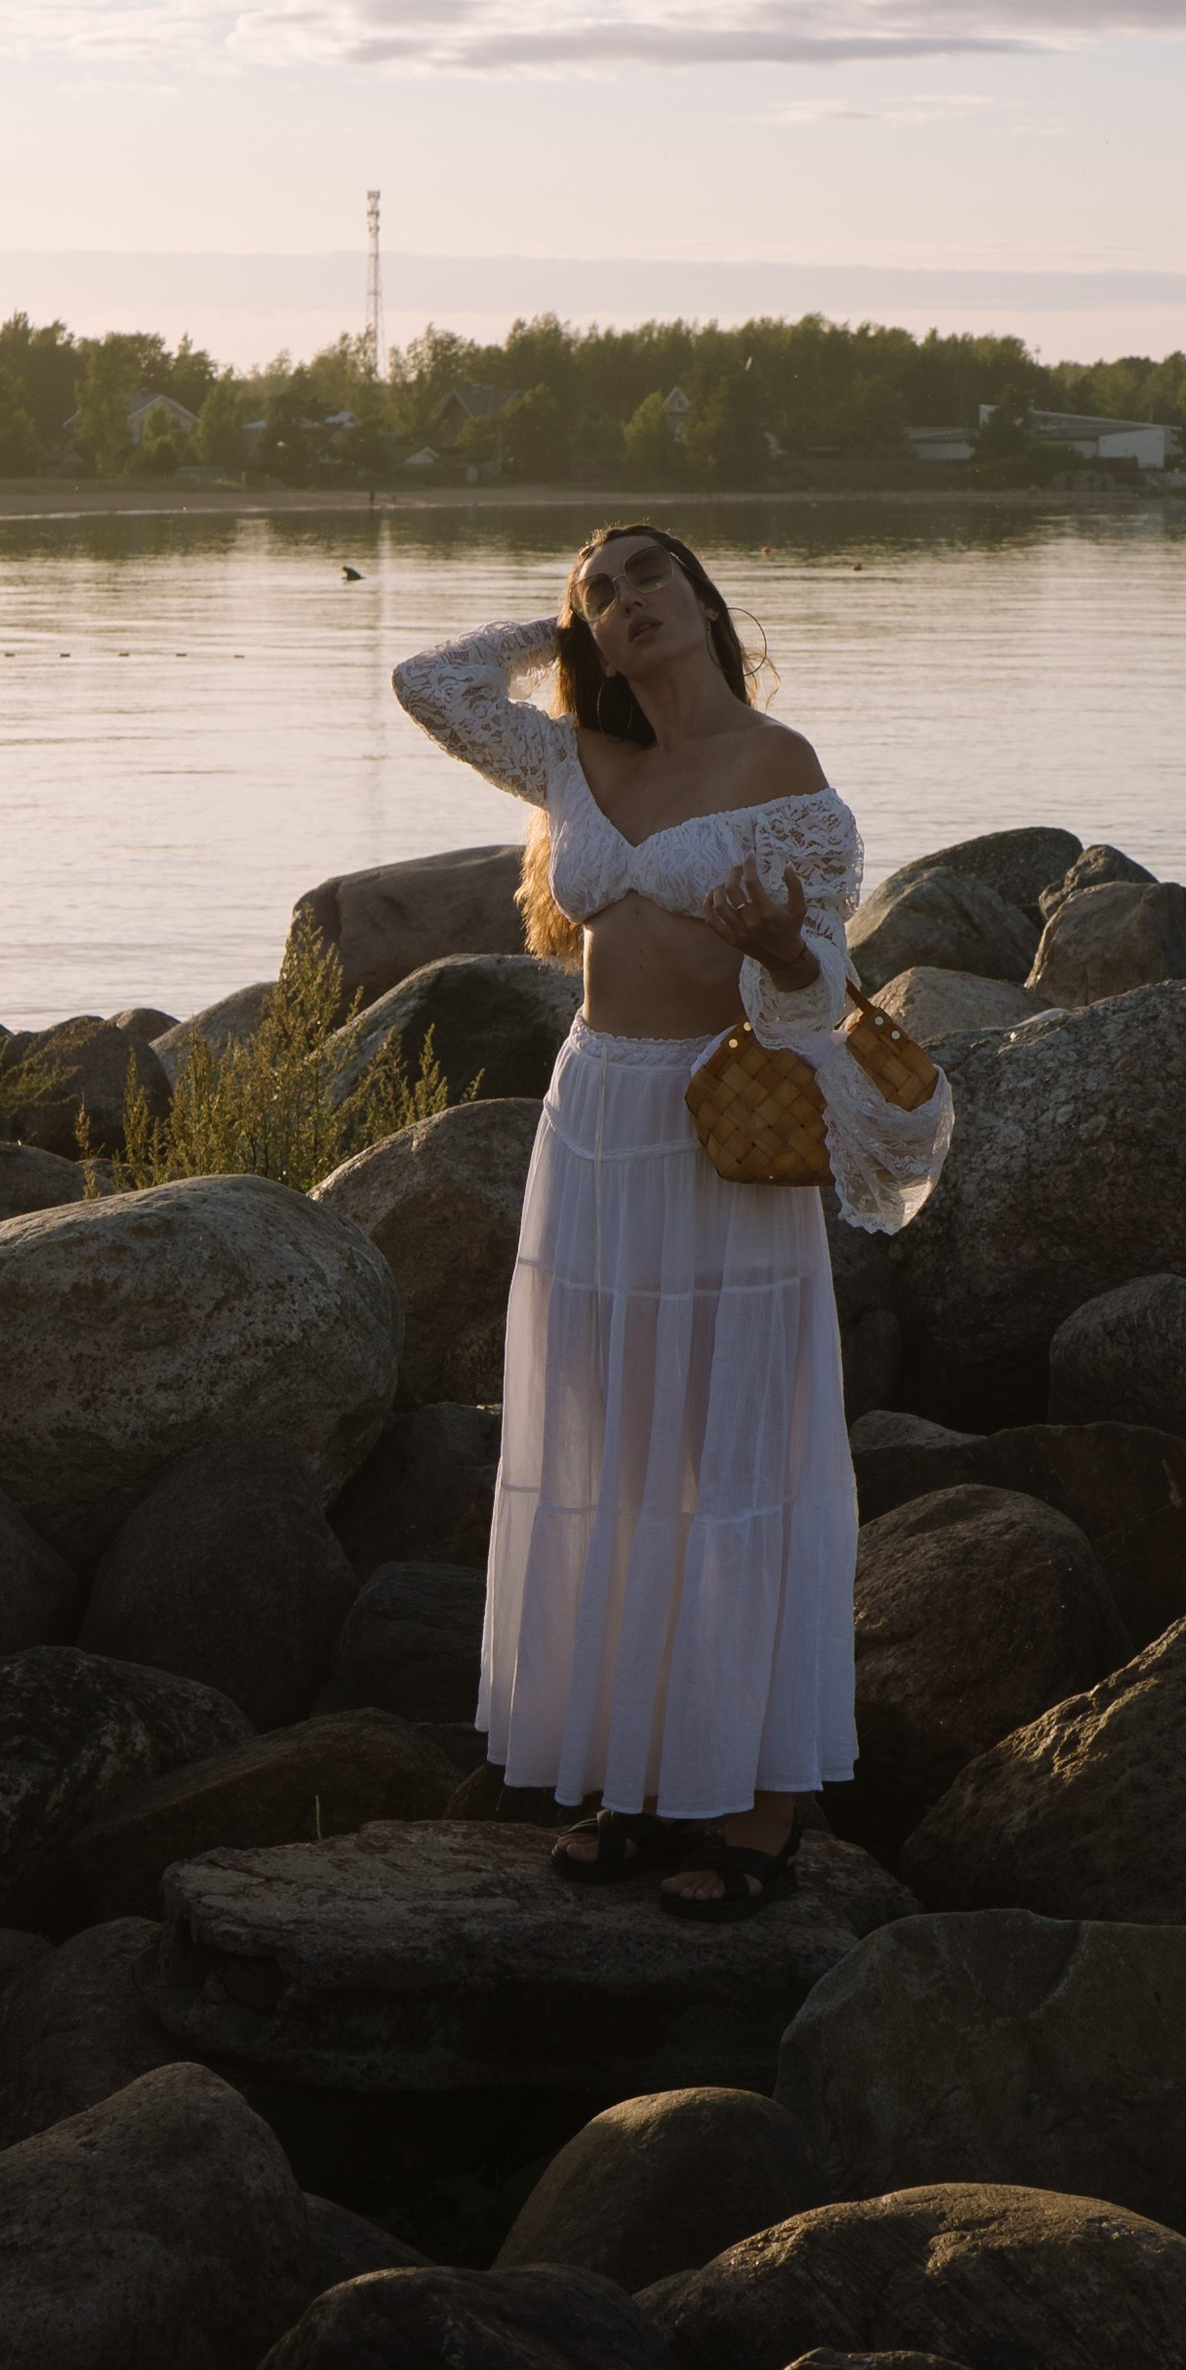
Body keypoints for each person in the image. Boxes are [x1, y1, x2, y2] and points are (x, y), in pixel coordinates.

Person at [393, 524, 952, 1918]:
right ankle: (642, 1778)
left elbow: (820, 988)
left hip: (719, 1119)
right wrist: (555, 633)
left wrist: (775, 947)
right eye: (600, 593)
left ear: (705, 599)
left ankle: (762, 1805)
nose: (626, 600)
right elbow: (428, 683)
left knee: (733, 1445)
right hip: (595, 1118)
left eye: (649, 575)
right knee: (615, 1441)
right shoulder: (574, 759)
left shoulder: (781, 768)